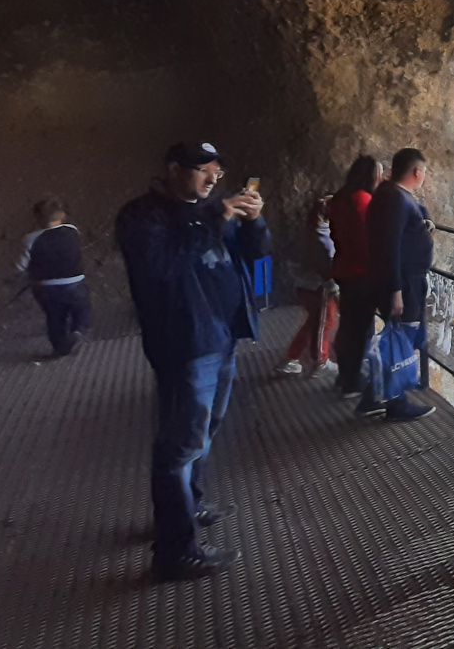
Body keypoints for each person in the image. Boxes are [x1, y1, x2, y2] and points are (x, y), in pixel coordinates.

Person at [116, 141, 268, 581]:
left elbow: (258, 255)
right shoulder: (141, 217)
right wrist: (210, 220)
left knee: (204, 433)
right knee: (179, 446)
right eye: (203, 170)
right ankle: (174, 551)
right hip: (184, 344)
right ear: (172, 170)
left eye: (216, 171)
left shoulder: (212, 210)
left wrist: (255, 223)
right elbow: (161, 271)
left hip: (221, 337)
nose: (212, 179)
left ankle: (189, 505)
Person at [363, 147, 436, 421]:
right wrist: (395, 291)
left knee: (402, 338)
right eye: (424, 172)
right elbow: (390, 246)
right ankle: (395, 403)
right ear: (417, 172)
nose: (425, 176)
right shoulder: (395, 199)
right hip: (403, 283)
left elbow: (410, 219)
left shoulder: (389, 195)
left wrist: (423, 223)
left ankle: (373, 396)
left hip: (401, 281)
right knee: (401, 339)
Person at [328, 155, 382, 397]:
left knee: (349, 325)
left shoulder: (340, 197)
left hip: (344, 268)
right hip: (361, 272)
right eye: (378, 174)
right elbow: (366, 239)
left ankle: (345, 375)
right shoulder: (363, 199)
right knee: (360, 329)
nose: (380, 178)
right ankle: (352, 380)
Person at [16, 197, 91, 357]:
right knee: (82, 309)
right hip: (75, 282)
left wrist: (22, 275)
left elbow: (21, 266)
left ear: (37, 218)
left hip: (46, 287)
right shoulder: (72, 231)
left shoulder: (30, 239)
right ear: (62, 215)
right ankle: (78, 331)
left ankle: (60, 348)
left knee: (55, 318)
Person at [276, 197, 338, 377]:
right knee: (324, 323)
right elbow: (326, 263)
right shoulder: (322, 234)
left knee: (313, 323)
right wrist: (335, 287)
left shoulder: (311, 230)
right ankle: (321, 362)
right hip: (319, 286)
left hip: (305, 283)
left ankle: (291, 359)